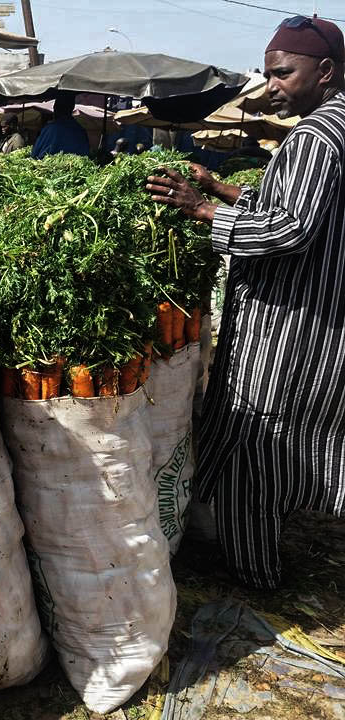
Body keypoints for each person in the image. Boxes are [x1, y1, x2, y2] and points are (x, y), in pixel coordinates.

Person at [145, 16, 345, 590]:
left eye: (283, 73)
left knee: (253, 441)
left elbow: (289, 228)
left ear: (324, 71)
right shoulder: (336, 128)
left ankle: (254, 574)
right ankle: (260, 547)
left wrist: (200, 208)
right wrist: (222, 186)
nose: (271, 84)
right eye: (268, 72)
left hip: (289, 325)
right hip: (321, 320)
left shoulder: (312, 137)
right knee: (289, 438)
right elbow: (296, 201)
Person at [31, 93, 91, 159]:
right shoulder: (81, 131)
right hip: (77, 168)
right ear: (71, 109)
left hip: (49, 167)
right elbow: (87, 155)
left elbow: (34, 154)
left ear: (56, 109)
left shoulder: (50, 129)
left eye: (54, 108)